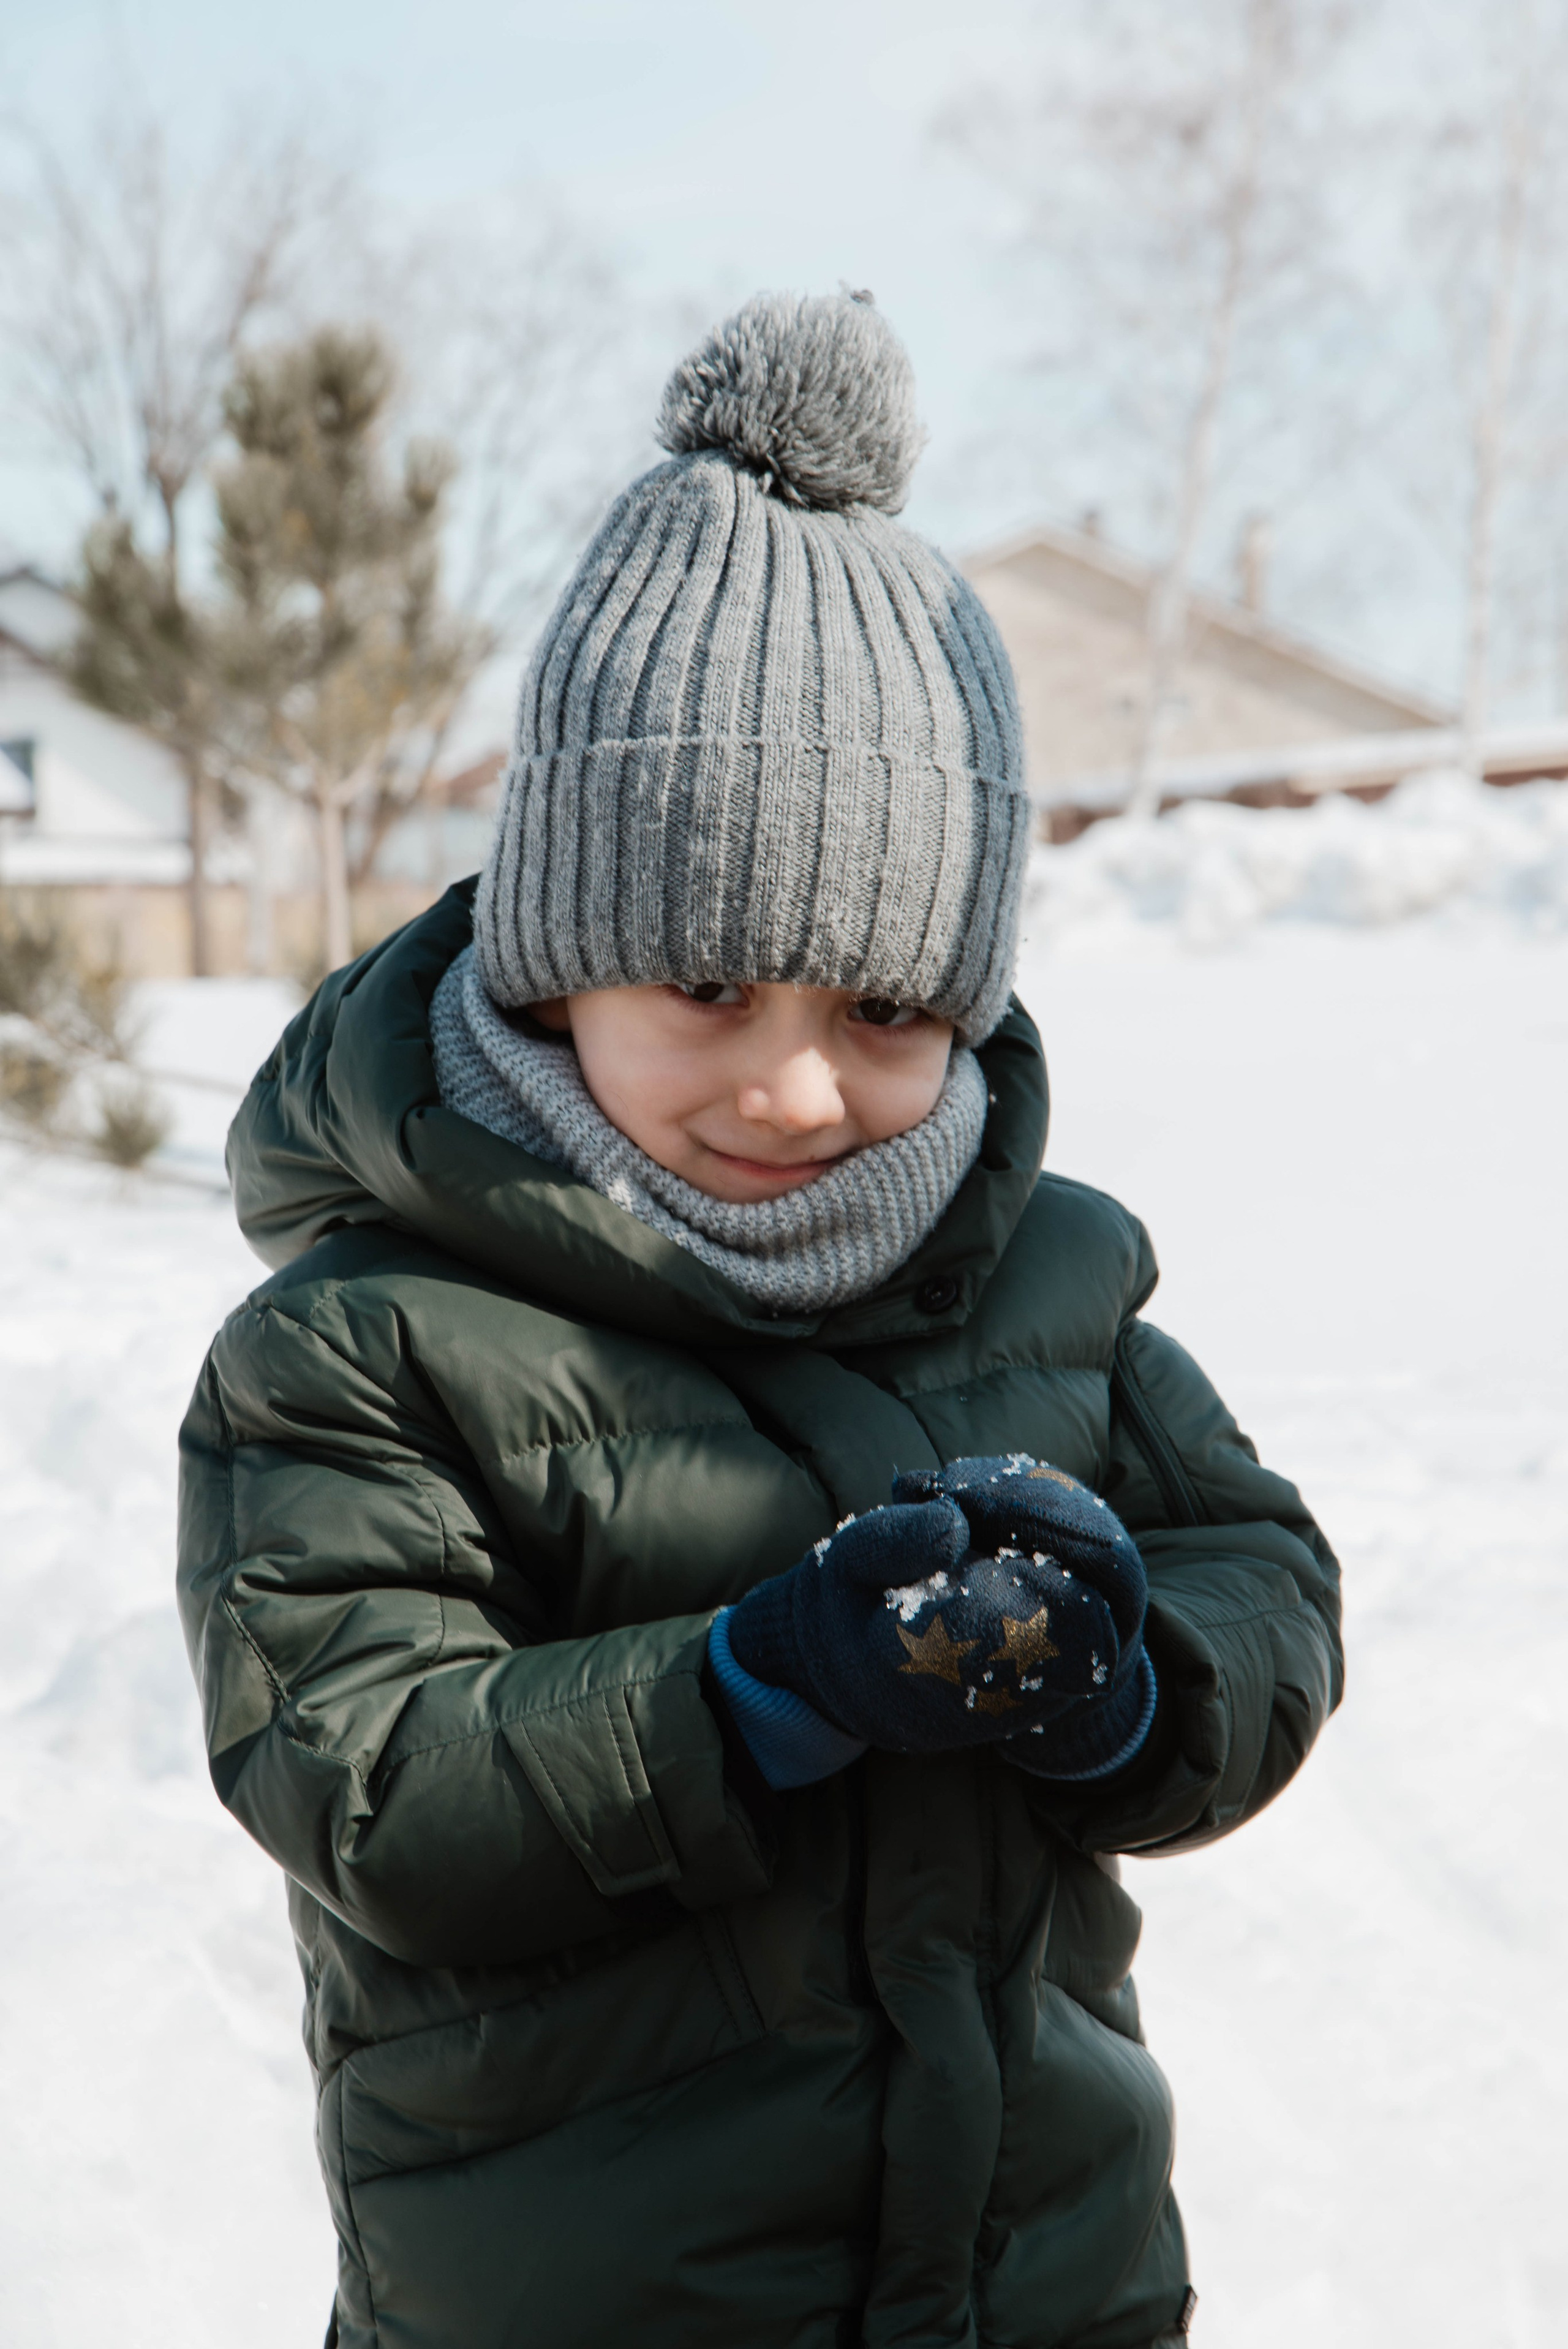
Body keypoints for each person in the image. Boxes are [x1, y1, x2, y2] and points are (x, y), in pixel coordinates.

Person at [178, 291, 1342, 2349]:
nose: (798, 1089)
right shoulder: (371, 1346)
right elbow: (372, 1779)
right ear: (561, 964)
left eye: (886, 1013)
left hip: (1032, 2283)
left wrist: (1129, 1681)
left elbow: (1264, 1567)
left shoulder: (1050, 1274)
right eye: (709, 989)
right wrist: (754, 1684)